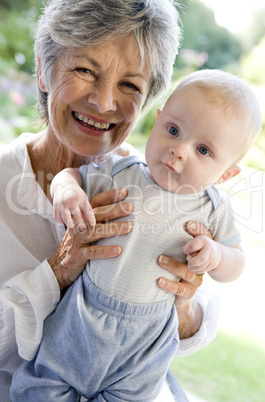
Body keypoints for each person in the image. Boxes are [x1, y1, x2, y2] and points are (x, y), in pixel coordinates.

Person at [0, 1, 219, 401]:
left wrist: (179, 302)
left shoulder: (155, 180)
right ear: (44, 70)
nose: (104, 102)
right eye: (85, 70)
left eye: (130, 85)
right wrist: (58, 270)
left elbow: (197, 330)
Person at [11, 69, 262, 400]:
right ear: (157, 121)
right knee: (44, 386)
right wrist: (66, 190)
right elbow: (71, 175)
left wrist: (216, 255)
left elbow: (237, 262)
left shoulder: (211, 209)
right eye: (173, 130)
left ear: (227, 174)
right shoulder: (120, 172)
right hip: (83, 316)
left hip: (147, 338)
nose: (179, 150)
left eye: (203, 150)